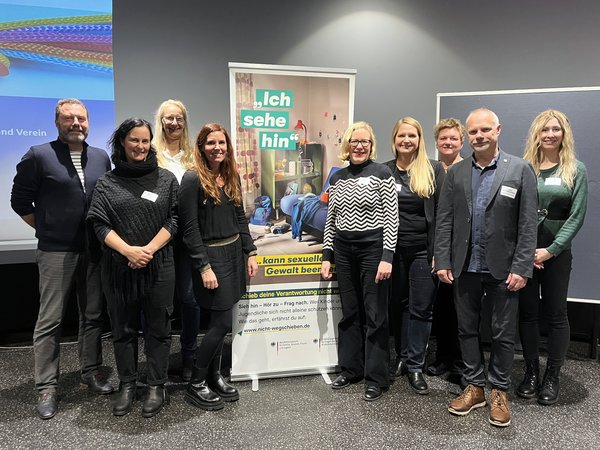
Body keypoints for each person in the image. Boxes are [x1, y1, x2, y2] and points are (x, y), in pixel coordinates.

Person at [10, 98, 113, 420]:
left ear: (88, 122)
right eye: (69, 119)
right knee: (50, 321)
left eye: (81, 118)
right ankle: (46, 386)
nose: (76, 124)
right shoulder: (38, 156)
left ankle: (90, 372)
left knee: (92, 315)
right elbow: (20, 201)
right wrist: (48, 227)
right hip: (56, 251)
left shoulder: (100, 157)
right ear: (57, 122)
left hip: (94, 250)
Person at [434, 108, 537, 427]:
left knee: (503, 334)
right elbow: (445, 219)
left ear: (498, 130)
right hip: (464, 266)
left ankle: (500, 392)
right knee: (466, 330)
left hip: (504, 269)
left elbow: (528, 223)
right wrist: (443, 259)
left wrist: (522, 267)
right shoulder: (457, 172)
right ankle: (475, 386)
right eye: (474, 131)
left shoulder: (519, 169)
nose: (479, 136)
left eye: (485, 130)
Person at [87, 118, 178, 418]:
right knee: (123, 330)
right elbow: (99, 223)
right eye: (134, 140)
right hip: (119, 268)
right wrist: (128, 251)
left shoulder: (166, 180)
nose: (140, 146)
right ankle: (128, 383)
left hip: (158, 265)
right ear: (122, 142)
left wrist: (148, 250)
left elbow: (174, 220)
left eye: (145, 140)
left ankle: (155, 385)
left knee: (158, 328)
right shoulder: (107, 182)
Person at [178, 123, 257, 411]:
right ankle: (196, 382)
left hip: (235, 253)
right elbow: (188, 229)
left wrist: (250, 250)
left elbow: (240, 216)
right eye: (211, 143)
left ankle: (214, 376)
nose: (217, 148)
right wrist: (203, 267)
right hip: (212, 258)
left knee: (221, 322)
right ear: (201, 147)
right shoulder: (192, 179)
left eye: (221, 143)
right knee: (222, 323)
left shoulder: (230, 174)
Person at [320, 121, 399, 402]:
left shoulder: (382, 173)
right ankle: (351, 369)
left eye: (365, 141)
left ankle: (376, 377)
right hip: (343, 251)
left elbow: (392, 217)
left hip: (373, 251)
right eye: (355, 140)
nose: (360, 145)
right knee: (350, 312)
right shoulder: (338, 177)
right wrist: (327, 255)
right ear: (347, 144)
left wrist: (387, 257)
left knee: (375, 315)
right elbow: (331, 219)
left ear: (371, 145)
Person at [517, 110, 588, 405]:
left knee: (556, 315)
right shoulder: (525, 168)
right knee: (528, 314)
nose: (550, 134)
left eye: (555, 129)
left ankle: (552, 375)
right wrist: (526, 250)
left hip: (556, 255)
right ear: (536, 133)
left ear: (564, 133)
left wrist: (551, 249)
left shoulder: (575, 170)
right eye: (544, 129)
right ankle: (532, 371)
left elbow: (576, 216)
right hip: (525, 255)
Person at [385, 117, 444, 395]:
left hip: (423, 251)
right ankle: (401, 357)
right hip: (391, 252)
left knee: (421, 308)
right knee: (397, 305)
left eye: (412, 135)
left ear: (420, 140)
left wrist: (439, 254)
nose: (406, 140)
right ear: (394, 139)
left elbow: (444, 217)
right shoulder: (383, 171)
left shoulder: (432, 170)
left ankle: (416, 364)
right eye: (401, 136)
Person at [153, 99, 198, 381]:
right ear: (161, 121)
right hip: (160, 238)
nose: (174, 123)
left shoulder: (193, 156)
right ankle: (158, 360)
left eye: (179, 118)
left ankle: (190, 355)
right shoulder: (151, 155)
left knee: (189, 299)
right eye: (169, 118)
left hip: (189, 239)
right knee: (160, 303)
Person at [428, 118, 465, 379]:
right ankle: (442, 358)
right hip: (434, 250)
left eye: (453, 138)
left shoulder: (471, 170)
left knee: (462, 309)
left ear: (461, 141)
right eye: (443, 138)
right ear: (437, 142)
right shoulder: (429, 170)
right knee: (440, 307)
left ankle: (461, 363)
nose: (448, 142)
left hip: (462, 251)